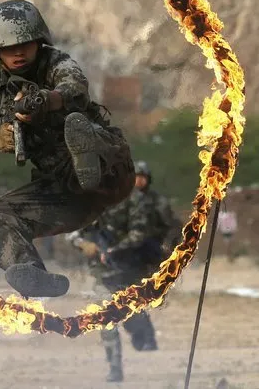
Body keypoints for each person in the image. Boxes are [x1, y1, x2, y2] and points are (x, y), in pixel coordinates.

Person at [0, 0, 135, 298]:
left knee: (78, 123)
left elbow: (75, 86)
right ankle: (32, 273)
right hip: (66, 195)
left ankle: (86, 158)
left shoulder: (57, 63)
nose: (19, 52)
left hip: (111, 172)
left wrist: (46, 102)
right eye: (9, 47)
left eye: (25, 43)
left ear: (40, 42)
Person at [67, 160, 181, 382]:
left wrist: (114, 250)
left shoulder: (136, 200)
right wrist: (83, 244)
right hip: (102, 272)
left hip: (129, 267)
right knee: (105, 318)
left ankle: (141, 332)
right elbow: (72, 232)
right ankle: (115, 367)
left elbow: (141, 232)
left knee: (132, 313)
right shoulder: (91, 202)